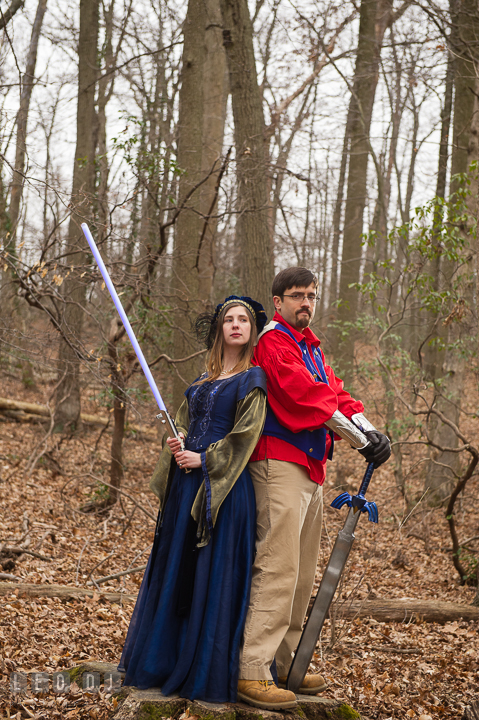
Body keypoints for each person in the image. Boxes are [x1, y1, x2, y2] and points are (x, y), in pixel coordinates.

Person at [237, 267, 391, 710]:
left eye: (311, 295)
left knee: (302, 573)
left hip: (310, 469)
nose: (306, 302)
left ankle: (286, 664)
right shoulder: (272, 342)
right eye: (297, 296)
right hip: (277, 464)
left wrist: (371, 430)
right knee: (278, 567)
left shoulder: (311, 347)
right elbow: (305, 396)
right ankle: (252, 668)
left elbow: (336, 395)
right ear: (279, 300)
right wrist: (360, 440)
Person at [119, 295, 268, 703]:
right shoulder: (202, 381)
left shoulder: (253, 380)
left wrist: (204, 458)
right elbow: (183, 420)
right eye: (229, 320)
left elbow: (245, 436)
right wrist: (178, 439)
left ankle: (201, 670)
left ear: (252, 330)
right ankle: (163, 661)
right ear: (219, 329)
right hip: (186, 485)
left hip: (222, 490)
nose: (236, 325)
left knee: (208, 576)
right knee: (177, 570)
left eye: (243, 320)